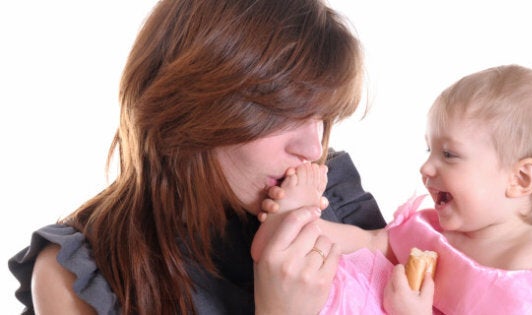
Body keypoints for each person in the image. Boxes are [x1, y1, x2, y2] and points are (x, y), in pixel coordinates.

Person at [8, 0, 387, 314]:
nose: (312, 149)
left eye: (321, 116)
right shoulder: (80, 278)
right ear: (192, 104)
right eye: (285, 113)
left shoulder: (330, 197)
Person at [256, 64, 532, 314]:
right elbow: (375, 241)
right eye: (429, 151)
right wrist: (313, 226)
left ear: (519, 180)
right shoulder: (440, 227)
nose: (426, 168)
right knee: (340, 274)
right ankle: (289, 233)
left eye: (449, 154)